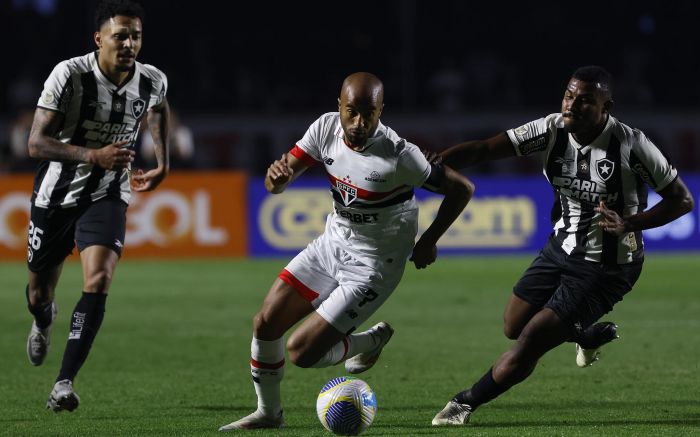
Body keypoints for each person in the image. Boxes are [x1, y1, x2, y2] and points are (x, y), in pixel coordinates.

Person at [430, 65, 694, 426]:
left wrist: (630, 222)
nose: (572, 105)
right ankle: (585, 333)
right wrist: (432, 164)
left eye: (585, 101)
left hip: (607, 266)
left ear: (606, 107)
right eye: (569, 96)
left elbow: (682, 200)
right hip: (560, 247)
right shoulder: (551, 129)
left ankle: (463, 404)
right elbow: (484, 149)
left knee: (530, 342)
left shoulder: (631, 145)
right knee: (512, 325)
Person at [219, 72, 474, 431]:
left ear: (381, 110)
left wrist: (429, 240)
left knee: (301, 353)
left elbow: (462, 188)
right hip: (332, 244)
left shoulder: (401, 155)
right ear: (338, 106)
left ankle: (370, 339)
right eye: (351, 111)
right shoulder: (324, 129)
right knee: (265, 323)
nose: (359, 122)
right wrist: (275, 181)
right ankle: (269, 414)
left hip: (373, 267)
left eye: (368, 113)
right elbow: (282, 176)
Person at [24, 0, 169, 412]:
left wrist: (163, 162)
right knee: (38, 292)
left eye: (135, 36)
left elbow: (159, 110)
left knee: (100, 278)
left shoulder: (152, 79)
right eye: (119, 35)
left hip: (108, 193)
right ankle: (41, 318)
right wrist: (92, 156)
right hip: (57, 196)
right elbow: (34, 143)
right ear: (99, 38)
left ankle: (63, 383)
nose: (128, 44)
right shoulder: (69, 75)